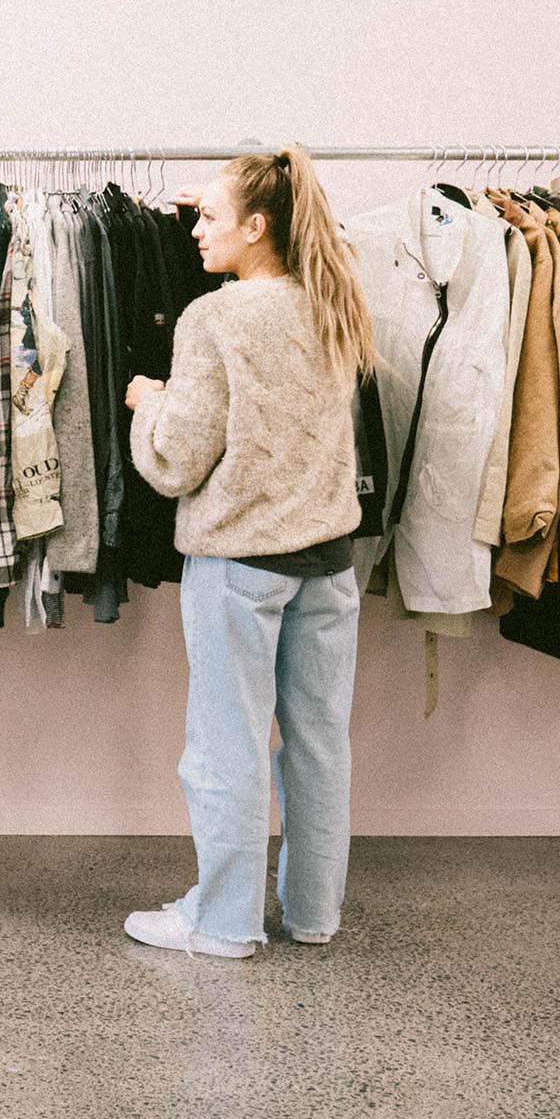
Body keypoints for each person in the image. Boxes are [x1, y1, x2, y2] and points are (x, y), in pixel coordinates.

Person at [120, 146, 374, 961]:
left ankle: (224, 922)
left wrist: (147, 402)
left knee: (225, 743)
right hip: (328, 560)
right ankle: (312, 912)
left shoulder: (214, 318)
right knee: (318, 744)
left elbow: (175, 461)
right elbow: (307, 224)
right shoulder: (334, 298)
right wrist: (226, 197)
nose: (195, 231)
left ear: (257, 226)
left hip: (240, 563)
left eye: (208, 219)